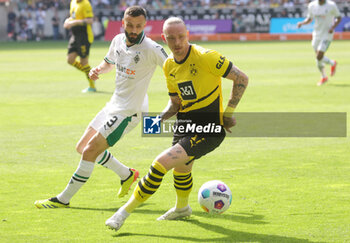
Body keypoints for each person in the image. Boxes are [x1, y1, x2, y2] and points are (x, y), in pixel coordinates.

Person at [105, 17, 248, 231]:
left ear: (187, 34)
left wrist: (228, 114)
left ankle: (122, 213)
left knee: (160, 163)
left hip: (209, 129)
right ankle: (182, 209)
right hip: (185, 124)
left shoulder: (206, 57)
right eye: (172, 39)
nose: (178, 42)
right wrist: (158, 120)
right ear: (165, 39)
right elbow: (175, 103)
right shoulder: (169, 65)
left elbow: (242, 78)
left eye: (181, 37)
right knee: (181, 169)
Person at [34, 6, 168, 209]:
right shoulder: (117, 40)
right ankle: (127, 174)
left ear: (144, 25)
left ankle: (63, 199)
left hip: (130, 111)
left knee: (89, 151)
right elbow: (109, 63)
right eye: (130, 25)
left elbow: (173, 69)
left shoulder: (151, 49)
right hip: (114, 104)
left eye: (138, 26)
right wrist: (98, 70)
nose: (133, 29)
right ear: (123, 23)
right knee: (81, 148)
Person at [297, 0, 341, 86]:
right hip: (316, 34)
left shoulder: (331, 5)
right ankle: (328, 69)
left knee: (319, 56)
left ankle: (326, 73)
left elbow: (338, 17)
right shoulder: (312, 5)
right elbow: (310, 18)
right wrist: (302, 23)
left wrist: (333, 27)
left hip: (327, 34)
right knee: (318, 57)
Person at [63, 0, 96, 93]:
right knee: (70, 60)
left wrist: (73, 23)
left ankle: (92, 86)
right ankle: (90, 74)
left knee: (83, 62)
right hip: (75, 36)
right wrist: (68, 21)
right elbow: (73, 16)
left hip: (84, 36)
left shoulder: (85, 4)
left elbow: (90, 20)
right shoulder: (73, 2)